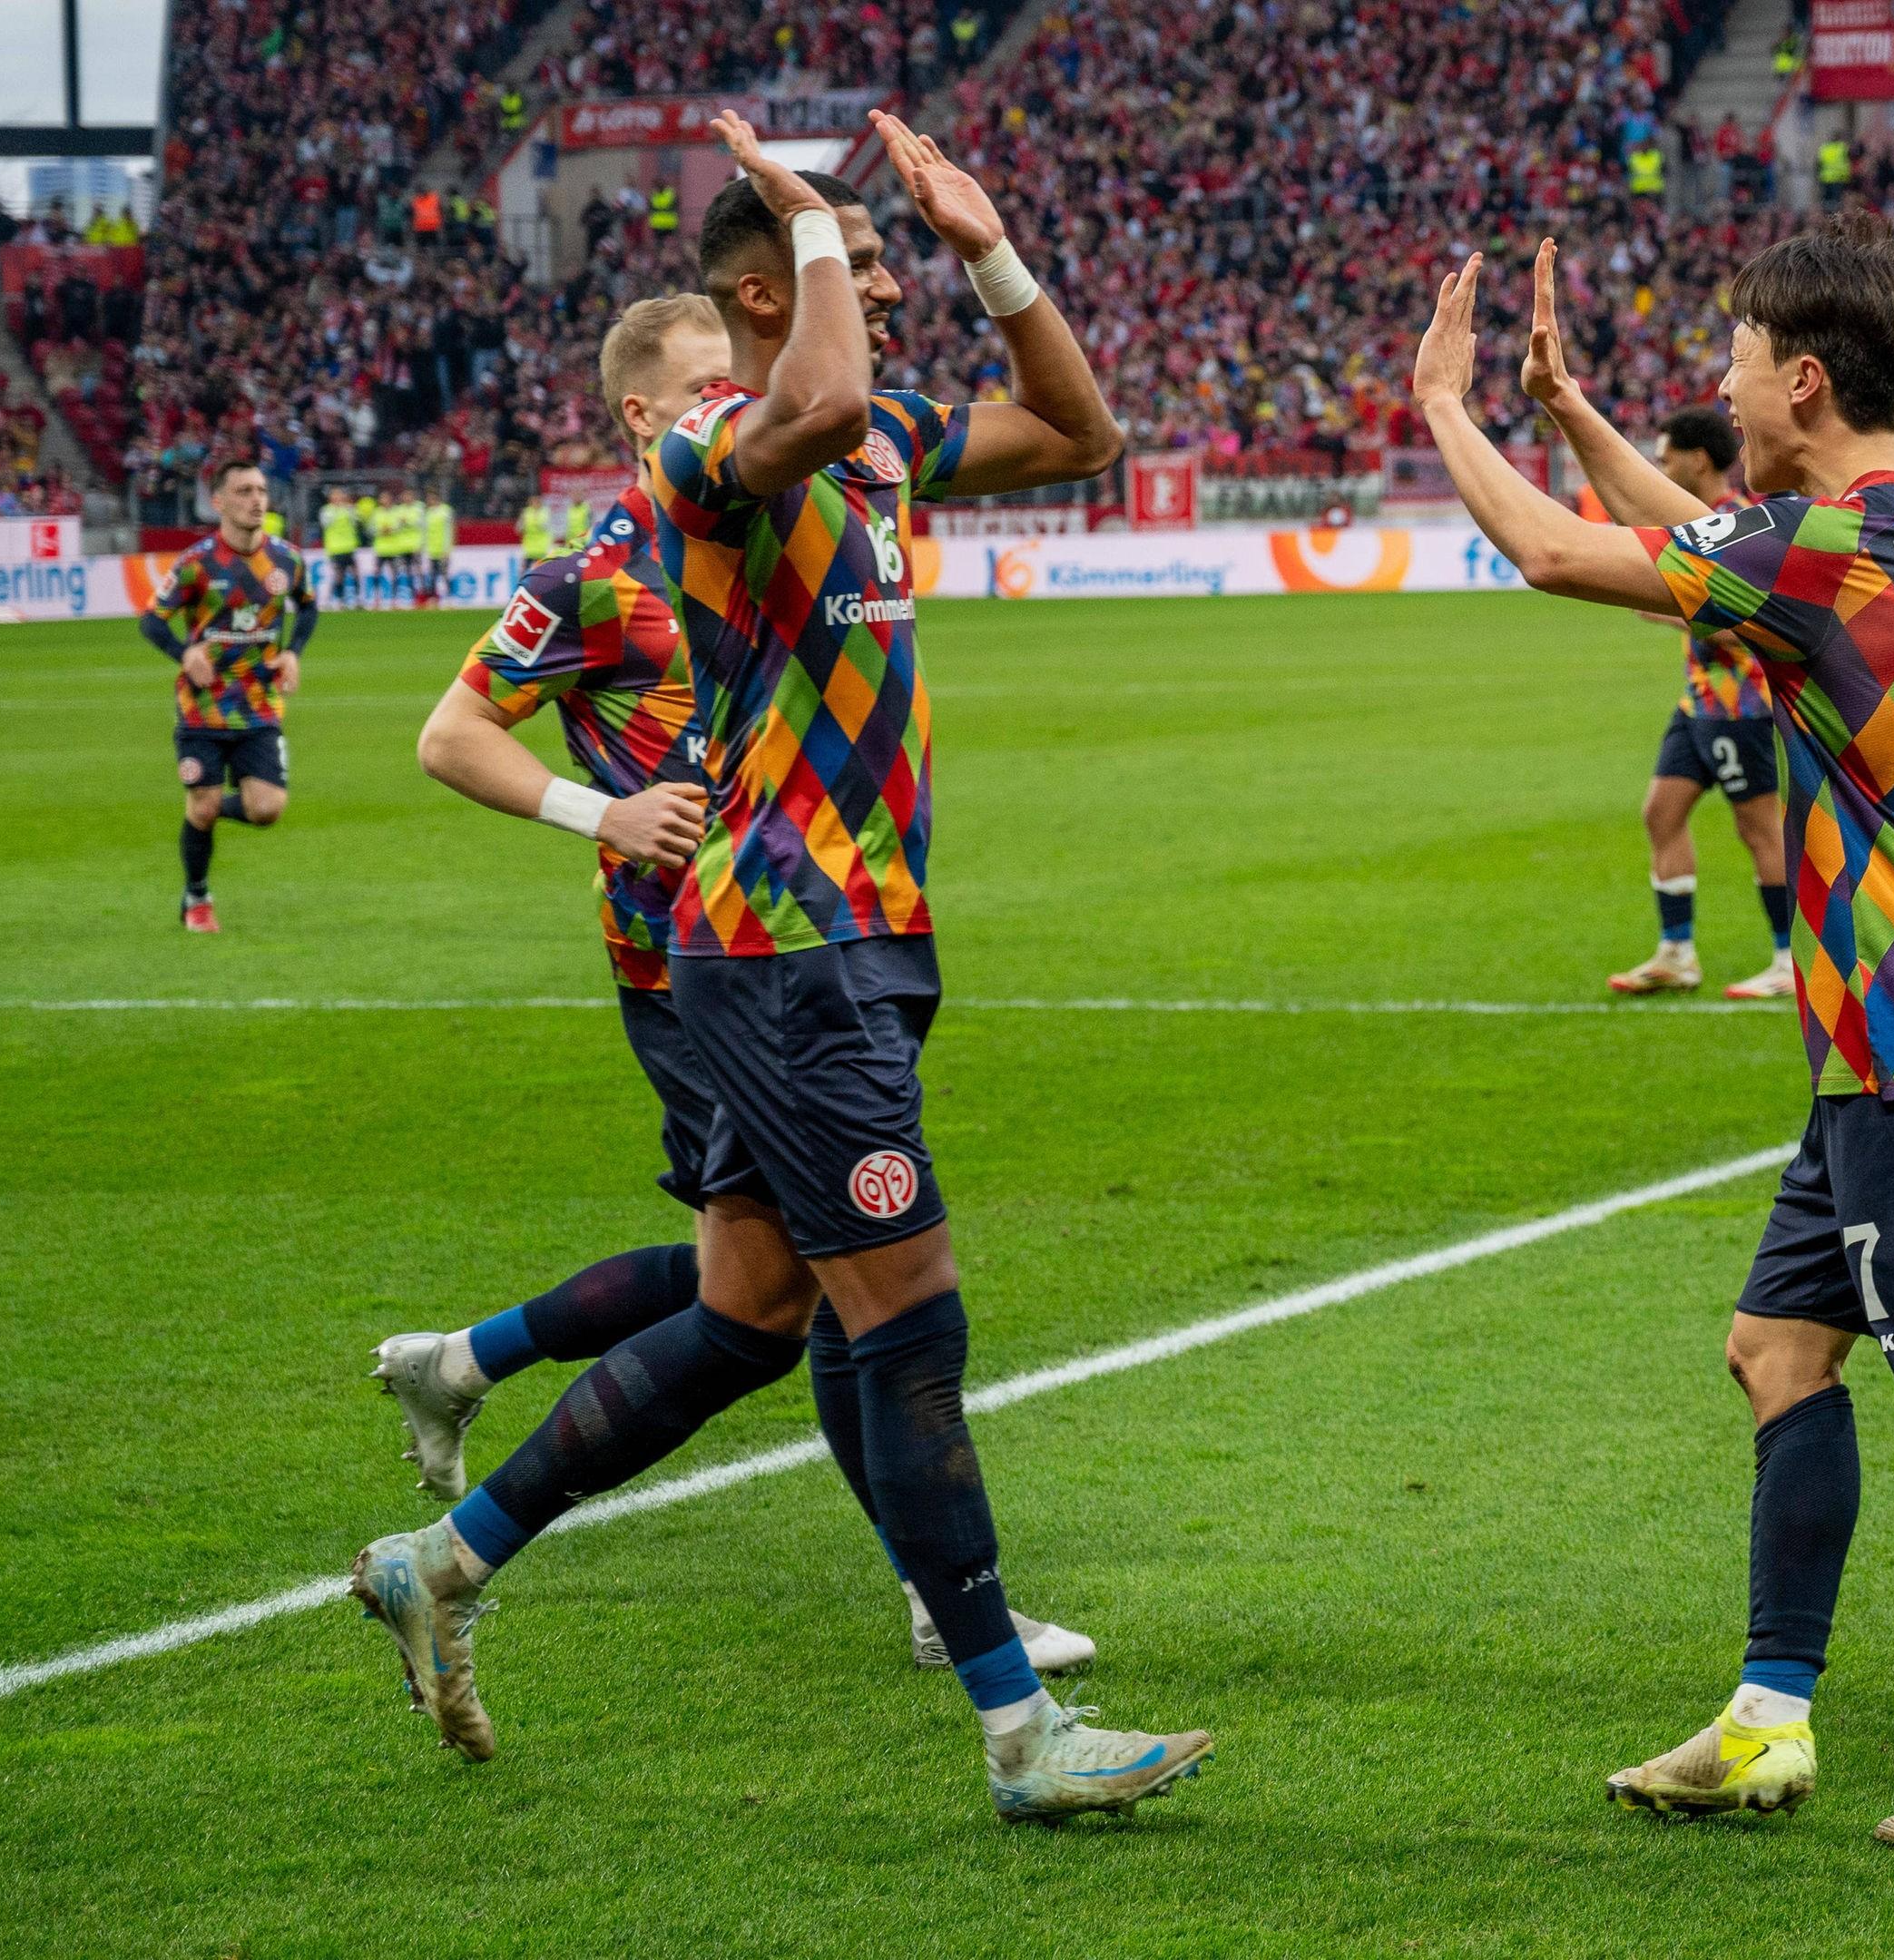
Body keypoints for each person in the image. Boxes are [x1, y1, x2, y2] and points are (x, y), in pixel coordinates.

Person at [349, 113, 1210, 1823]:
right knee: (910, 1320)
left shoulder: (878, 438)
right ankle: (1021, 1731)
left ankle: (442, 1559)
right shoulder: (712, 451)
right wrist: (815, 223)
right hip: (784, 941)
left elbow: (1080, 432)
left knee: (749, 1312)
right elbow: (804, 405)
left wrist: (987, 249)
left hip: (841, 935)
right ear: (766, 290)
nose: (884, 283)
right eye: (856, 264)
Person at [1411, 215, 1894, 1848]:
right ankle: (1764, 1722)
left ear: (1800, 380)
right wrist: (1569, 410)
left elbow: (1561, 559)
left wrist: (1446, 406)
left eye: (1733, 358)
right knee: (1776, 1351)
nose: (1720, 385)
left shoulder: (1823, 547)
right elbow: (1708, 546)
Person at [383, 289, 1094, 1680]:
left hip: (797, 947)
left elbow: (1056, 440)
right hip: (699, 964)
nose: (744, 401)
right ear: (640, 415)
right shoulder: (596, 574)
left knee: (783, 1290)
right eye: (709, 383)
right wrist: (600, 812)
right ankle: (948, 1614)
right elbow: (449, 733)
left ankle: (461, 1396)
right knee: (821, 1292)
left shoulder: (793, 519)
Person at [1552, 400, 1791, 1002]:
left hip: (1740, 706)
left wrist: (1666, 611)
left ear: (1697, 459)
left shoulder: (1737, 525)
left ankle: (1791, 960)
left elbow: (1749, 626)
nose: (1660, 468)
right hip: (1699, 703)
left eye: (1666, 458)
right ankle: (1677, 955)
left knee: (1760, 830)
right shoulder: (1692, 529)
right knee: (1661, 813)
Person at [139, 460, 315, 933]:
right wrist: (184, 653)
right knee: (202, 807)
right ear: (218, 502)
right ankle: (197, 897)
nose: (257, 500)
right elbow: (152, 620)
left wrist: (293, 652)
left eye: (261, 490)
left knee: (267, 809)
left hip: (260, 706)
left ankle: (210, 806)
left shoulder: (286, 560)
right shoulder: (196, 563)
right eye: (244, 491)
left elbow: (308, 607)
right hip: (203, 709)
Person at [318, 488, 361, 606]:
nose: (338, 498)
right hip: (335, 548)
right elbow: (325, 523)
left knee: (356, 572)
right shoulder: (326, 511)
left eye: (340, 495)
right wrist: (337, 510)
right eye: (335, 496)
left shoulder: (349, 509)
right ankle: (340, 600)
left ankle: (358, 599)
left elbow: (357, 520)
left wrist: (350, 507)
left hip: (349, 546)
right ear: (330, 498)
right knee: (339, 575)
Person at [420, 490, 454, 608]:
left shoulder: (446, 511)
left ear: (436, 498)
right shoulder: (428, 513)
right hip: (431, 550)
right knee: (433, 575)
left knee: (445, 575)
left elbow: (450, 530)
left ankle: (449, 598)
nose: (429, 501)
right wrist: (423, 548)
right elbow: (425, 532)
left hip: (442, 549)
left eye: (430, 498)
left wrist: (447, 549)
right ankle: (434, 598)